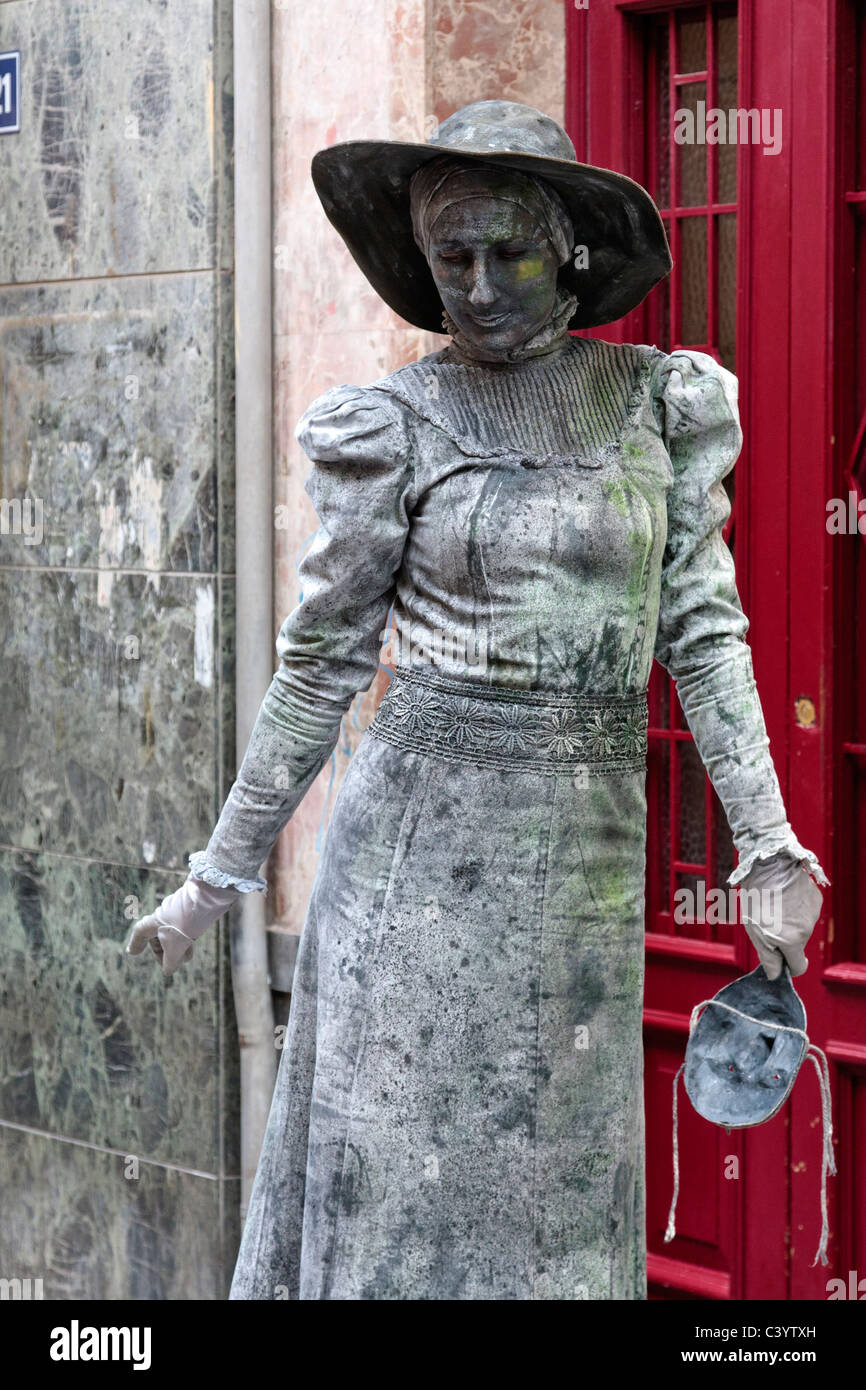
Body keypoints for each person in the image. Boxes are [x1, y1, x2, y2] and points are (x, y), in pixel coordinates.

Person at [127, 100, 828, 1300]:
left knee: (556, 1212)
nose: (482, 285)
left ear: (567, 243)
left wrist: (764, 841)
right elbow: (319, 665)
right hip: (410, 873)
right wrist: (216, 875)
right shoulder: (389, 425)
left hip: (582, 876)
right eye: (451, 258)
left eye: (507, 250)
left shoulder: (658, 404)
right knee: (400, 1207)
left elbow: (702, 636)